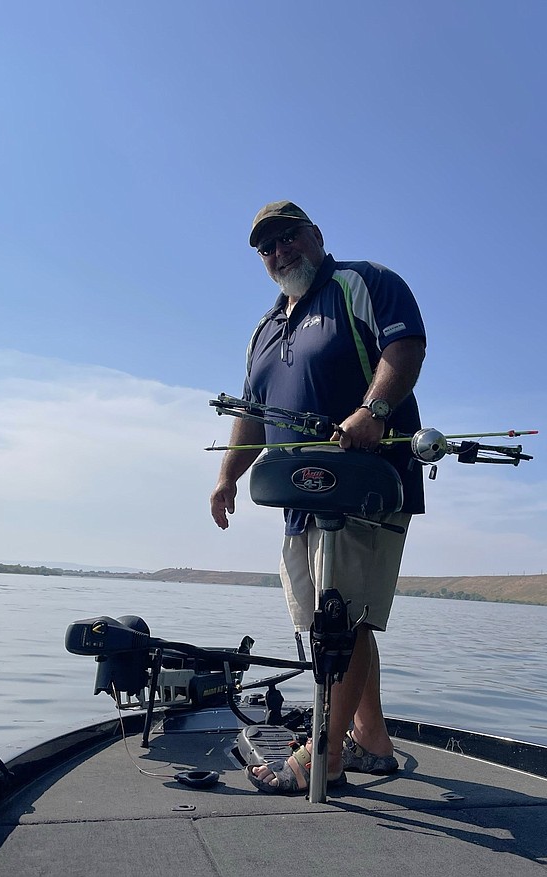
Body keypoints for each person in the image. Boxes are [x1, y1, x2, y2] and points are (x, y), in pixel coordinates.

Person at [209, 200, 427, 794]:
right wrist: (228, 477)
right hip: (298, 494)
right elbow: (251, 412)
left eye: (288, 237)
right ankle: (370, 739)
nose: (279, 252)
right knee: (336, 618)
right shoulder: (265, 328)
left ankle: (324, 754)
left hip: (365, 484)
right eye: (267, 247)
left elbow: (405, 346)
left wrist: (372, 410)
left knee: (341, 615)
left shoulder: (365, 283)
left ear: (316, 236)